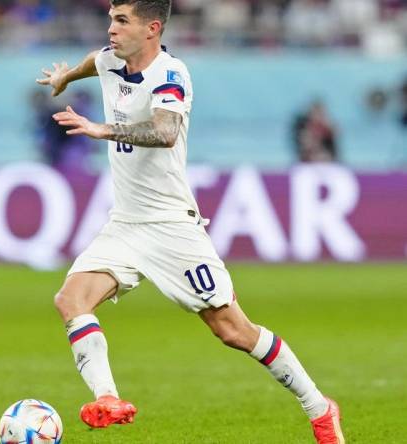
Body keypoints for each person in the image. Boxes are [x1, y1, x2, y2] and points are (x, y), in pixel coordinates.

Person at [35, 1, 344, 443]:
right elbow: (95, 63)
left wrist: (104, 129)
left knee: (233, 330)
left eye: (122, 21)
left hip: (172, 227)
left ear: (152, 28)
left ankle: (319, 408)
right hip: (124, 223)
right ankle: (108, 398)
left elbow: (165, 133)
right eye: (110, 20)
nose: (111, 30)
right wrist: (67, 76)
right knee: (70, 300)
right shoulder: (109, 59)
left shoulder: (171, 75)